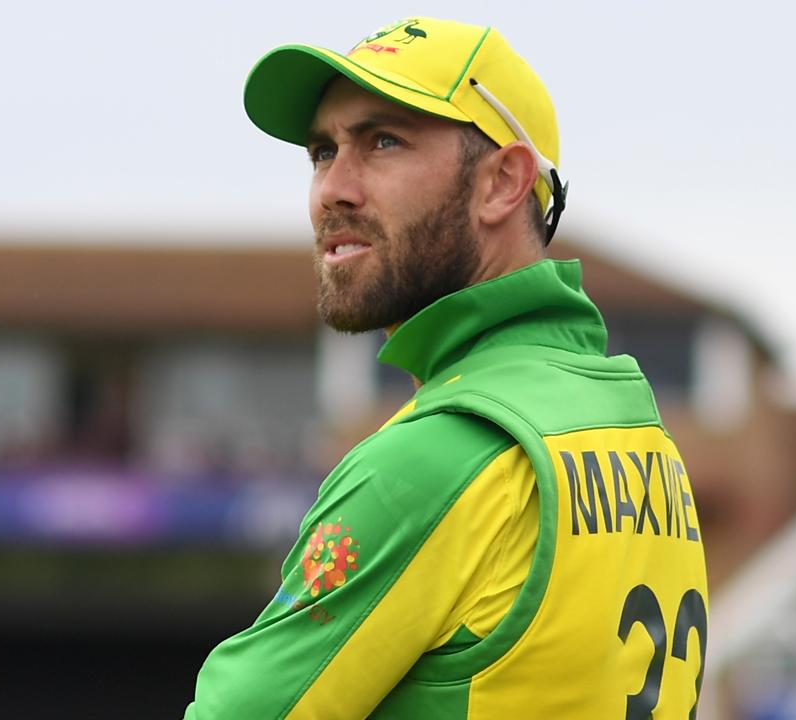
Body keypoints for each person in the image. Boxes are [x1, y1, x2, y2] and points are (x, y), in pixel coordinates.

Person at [186, 17, 708, 719]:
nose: (331, 190)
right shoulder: (637, 428)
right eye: (321, 151)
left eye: (383, 142)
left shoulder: (439, 456)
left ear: (502, 182)